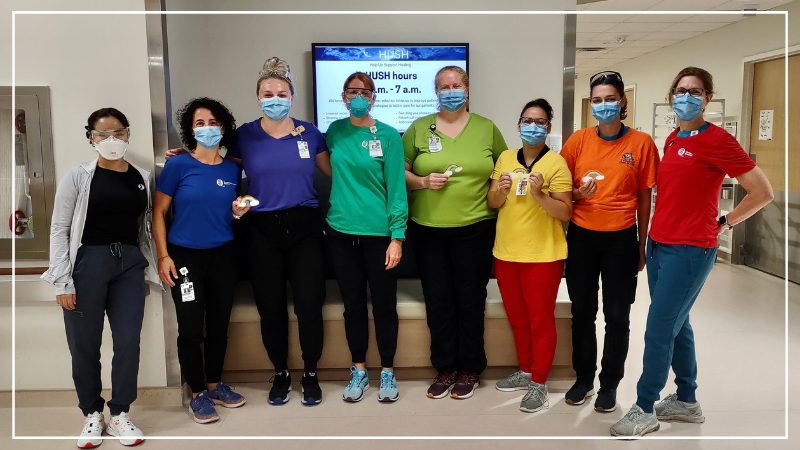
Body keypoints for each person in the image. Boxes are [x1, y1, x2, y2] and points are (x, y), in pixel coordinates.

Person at [611, 67, 774, 437]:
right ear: (672, 96)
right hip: (659, 245)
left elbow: (763, 192)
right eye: (681, 90)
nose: (687, 97)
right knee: (677, 324)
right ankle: (686, 400)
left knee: (658, 327)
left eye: (696, 91)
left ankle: (644, 406)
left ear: (707, 99)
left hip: (690, 250)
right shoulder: (671, 139)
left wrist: (726, 222)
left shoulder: (719, 141)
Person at [42, 108, 160, 448]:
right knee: (84, 345)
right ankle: (92, 414)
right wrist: (63, 281)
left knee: (127, 341)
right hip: (87, 266)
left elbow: (148, 225)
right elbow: (59, 229)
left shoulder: (142, 176)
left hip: (129, 267)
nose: (112, 140)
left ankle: (120, 413)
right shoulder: (77, 176)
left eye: (119, 133)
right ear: (90, 137)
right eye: (103, 134)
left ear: (128, 134)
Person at [402, 65, 507, 400]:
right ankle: (445, 368)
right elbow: (399, 171)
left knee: (470, 300)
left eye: (457, 85)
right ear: (436, 92)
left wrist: (497, 190)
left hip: (476, 227)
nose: (450, 91)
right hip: (428, 230)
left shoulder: (486, 129)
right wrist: (421, 182)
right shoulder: (418, 128)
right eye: (444, 86)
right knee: (439, 300)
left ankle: (471, 369)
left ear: (467, 89)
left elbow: (503, 168)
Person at [560, 70, 660, 413]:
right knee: (582, 313)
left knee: (618, 317)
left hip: (621, 239)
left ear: (623, 102)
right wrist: (577, 192)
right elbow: (561, 191)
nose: (604, 106)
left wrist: (641, 243)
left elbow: (645, 197)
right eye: (598, 100)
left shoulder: (641, 143)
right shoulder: (577, 141)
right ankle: (584, 378)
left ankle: (610, 384)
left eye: (610, 99)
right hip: (582, 237)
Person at [154, 98, 249, 424]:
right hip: (184, 258)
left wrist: (237, 215)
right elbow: (159, 213)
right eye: (199, 123)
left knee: (220, 325)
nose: (207, 129)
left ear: (223, 128)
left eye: (213, 123)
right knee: (191, 327)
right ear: (190, 130)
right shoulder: (178, 165)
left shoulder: (233, 169)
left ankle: (215, 384)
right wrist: (163, 256)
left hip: (223, 255)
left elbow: (232, 211)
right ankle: (197, 393)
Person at [325, 72, 407, 403]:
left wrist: (397, 237)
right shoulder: (333, 132)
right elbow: (331, 169)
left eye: (365, 92)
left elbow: (397, 190)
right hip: (341, 233)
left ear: (374, 97)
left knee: (385, 306)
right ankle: (358, 369)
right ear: (343, 97)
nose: (358, 97)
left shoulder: (388, 136)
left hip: (379, 236)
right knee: (353, 306)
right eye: (351, 91)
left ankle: (387, 371)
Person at [487, 99, 573, 413]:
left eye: (539, 121)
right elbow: (493, 202)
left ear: (548, 127)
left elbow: (565, 211)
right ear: (519, 124)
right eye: (527, 120)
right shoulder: (506, 158)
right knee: (518, 320)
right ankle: (525, 371)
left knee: (540, 321)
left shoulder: (557, 164)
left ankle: (539, 382)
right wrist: (501, 190)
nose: (532, 126)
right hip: (506, 253)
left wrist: (539, 194)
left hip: (543, 256)